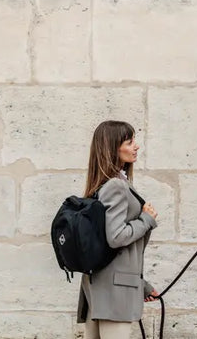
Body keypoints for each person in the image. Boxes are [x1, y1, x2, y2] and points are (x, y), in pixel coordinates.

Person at [77, 120, 160, 339]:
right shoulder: (115, 186)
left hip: (102, 289)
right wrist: (147, 219)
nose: (136, 146)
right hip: (113, 296)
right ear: (113, 147)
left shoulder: (105, 184)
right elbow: (115, 237)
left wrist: (141, 285)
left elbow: (110, 251)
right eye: (129, 141)